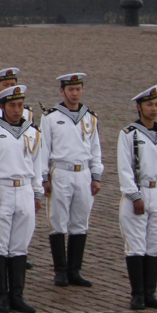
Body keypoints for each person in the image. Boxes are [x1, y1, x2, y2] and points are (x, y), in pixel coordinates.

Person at [0, 85, 45, 313]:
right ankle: (1, 296)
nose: (17, 110)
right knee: (0, 245)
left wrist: (36, 192)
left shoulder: (32, 132)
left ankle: (17, 294)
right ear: (2, 107)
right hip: (1, 190)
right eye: (12, 105)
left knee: (20, 246)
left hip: (24, 189)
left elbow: (37, 164)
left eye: (20, 106)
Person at [39, 72, 103, 288]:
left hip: (83, 173)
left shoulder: (90, 117)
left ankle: (75, 270)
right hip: (61, 172)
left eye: (78, 89)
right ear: (62, 91)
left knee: (80, 222)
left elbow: (95, 149)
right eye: (71, 90)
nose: (75, 94)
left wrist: (96, 175)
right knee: (58, 221)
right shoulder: (50, 117)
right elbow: (43, 149)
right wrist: (44, 177)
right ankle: (60, 270)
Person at [117, 85, 157, 311]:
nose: (154, 109)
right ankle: (137, 294)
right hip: (138, 192)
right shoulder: (129, 133)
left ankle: (150, 293)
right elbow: (124, 167)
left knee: (155, 244)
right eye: (149, 105)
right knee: (136, 244)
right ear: (139, 107)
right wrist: (133, 195)